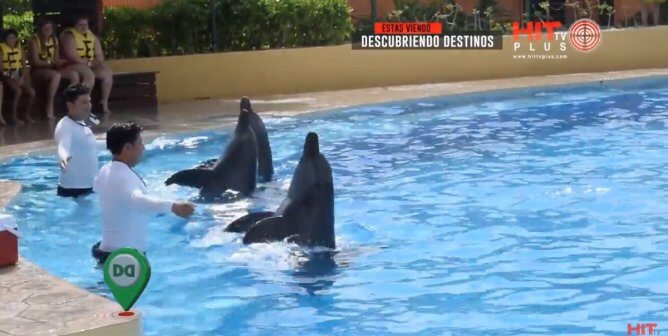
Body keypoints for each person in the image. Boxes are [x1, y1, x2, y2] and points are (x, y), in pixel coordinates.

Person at [92, 122, 195, 264]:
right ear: (127, 147)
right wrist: (173, 207)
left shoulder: (105, 170)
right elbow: (137, 200)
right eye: (139, 143)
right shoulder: (124, 176)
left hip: (107, 250)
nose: (143, 148)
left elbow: (100, 189)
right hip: (126, 258)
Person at [54, 84, 103, 198]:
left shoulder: (80, 122)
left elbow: (90, 145)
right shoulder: (65, 126)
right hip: (74, 192)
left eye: (89, 102)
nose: (89, 106)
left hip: (87, 188)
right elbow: (63, 146)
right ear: (70, 105)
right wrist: (64, 158)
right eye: (83, 102)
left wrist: (115, 142)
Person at [60, 13, 113, 114]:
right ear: (75, 25)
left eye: (86, 25)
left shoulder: (92, 36)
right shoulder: (69, 36)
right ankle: (81, 102)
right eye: (80, 25)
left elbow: (99, 54)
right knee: (89, 75)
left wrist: (97, 62)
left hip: (89, 64)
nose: (83, 27)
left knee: (107, 73)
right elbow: (71, 55)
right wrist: (88, 63)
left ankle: (103, 103)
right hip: (72, 65)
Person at [29, 18, 75, 120]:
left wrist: (60, 62)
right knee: (56, 76)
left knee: (73, 76)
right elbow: (36, 62)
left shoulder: (54, 40)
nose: (48, 31)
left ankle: (65, 102)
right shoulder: (34, 41)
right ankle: (50, 105)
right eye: (45, 28)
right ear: (40, 29)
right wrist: (51, 63)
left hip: (53, 68)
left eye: (50, 28)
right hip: (38, 71)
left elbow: (56, 58)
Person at [1, 29, 35, 124]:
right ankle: (14, 116)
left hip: (18, 74)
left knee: (32, 93)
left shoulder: (19, 48)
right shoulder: (1, 49)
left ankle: (26, 114)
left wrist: (22, 78)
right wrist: (12, 77)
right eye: (9, 38)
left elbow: (24, 65)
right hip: (7, 75)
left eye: (13, 38)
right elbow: (2, 69)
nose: (11, 40)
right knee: (18, 91)